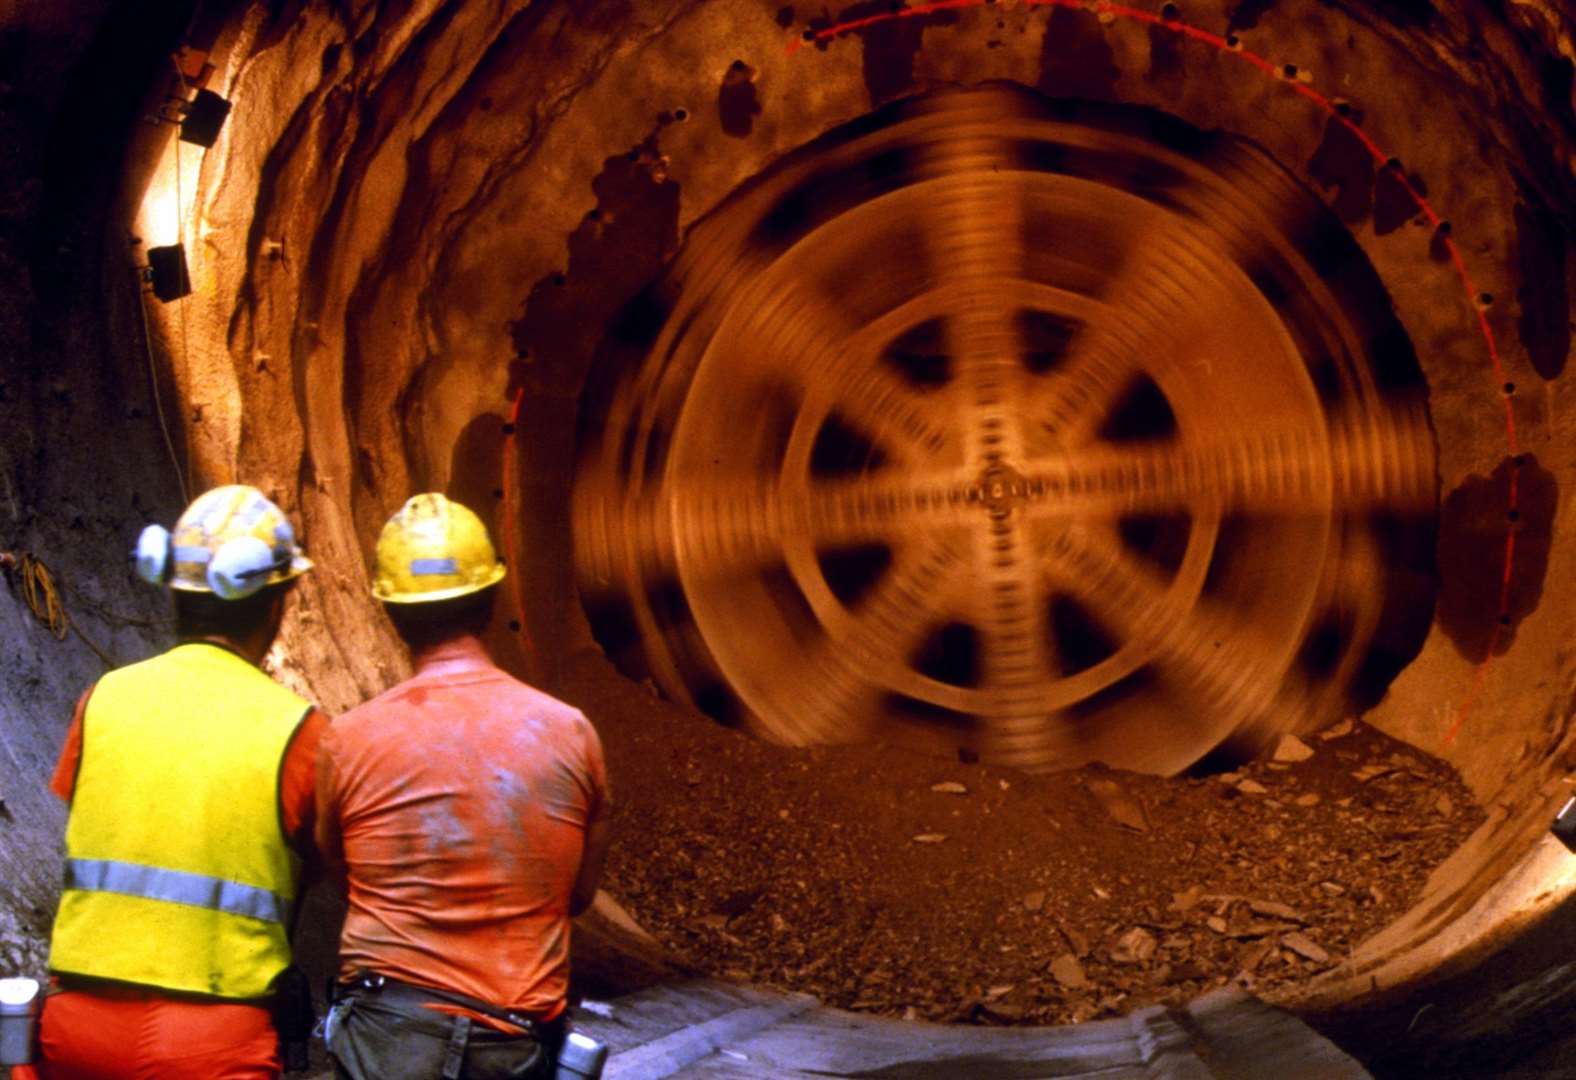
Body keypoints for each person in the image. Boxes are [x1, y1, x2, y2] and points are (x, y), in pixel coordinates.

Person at [21, 484, 328, 1080]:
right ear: (275, 604)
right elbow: (329, 868)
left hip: (76, 1029)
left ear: (172, 590)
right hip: (215, 1043)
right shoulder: (302, 731)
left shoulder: (102, 699)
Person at [317, 493, 612, 1080]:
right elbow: (576, 895)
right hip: (510, 1040)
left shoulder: (344, 741)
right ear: (492, 598)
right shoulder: (570, 733)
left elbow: (340, 873)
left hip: (385, 1036)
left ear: (389, 612)